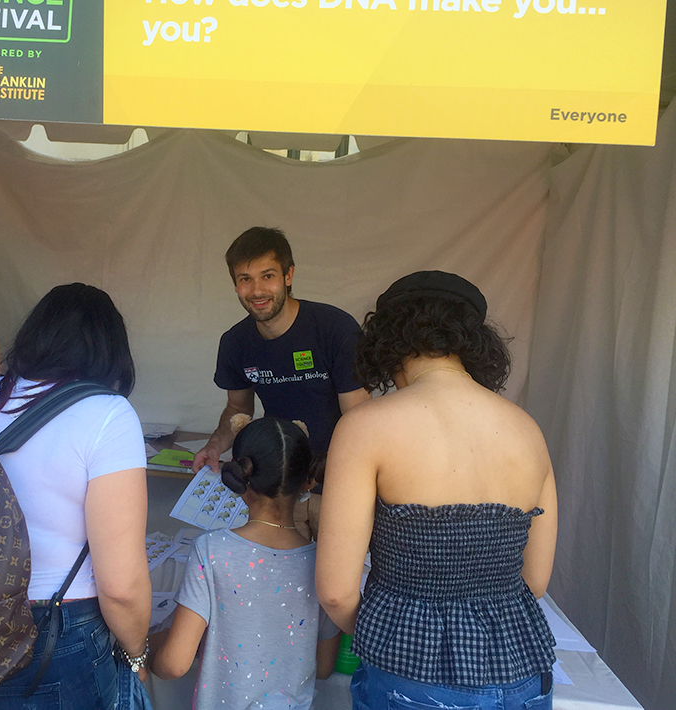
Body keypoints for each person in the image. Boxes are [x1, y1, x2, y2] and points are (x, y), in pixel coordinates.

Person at [315, 271, 557, 710]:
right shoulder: (528, 431)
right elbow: (534, 581)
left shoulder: (365, 428)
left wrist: (388, 632)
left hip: (411, 680)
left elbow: (335, 590)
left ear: (387, 343)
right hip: (522, 676)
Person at [0, 283, 152, 709]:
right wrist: (136, 654)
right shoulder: (108, 414)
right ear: (110, 347)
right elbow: (121, 586)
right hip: (55, 632)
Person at [152, 415, 341, 709]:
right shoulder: (323, 562)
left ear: (240, 478)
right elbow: (325, 666)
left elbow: (174, 664)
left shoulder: (211, 551)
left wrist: (144, 651)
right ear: (307, 480)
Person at [192, 226, 370, 538]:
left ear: (288, 276)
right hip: (278, 492)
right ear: (235, 285)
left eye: (268, 276)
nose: (257, 290)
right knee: (284, 581)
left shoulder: (335, 329)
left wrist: (321, 472)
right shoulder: (235, 342)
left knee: (337, 584)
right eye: (245, 279)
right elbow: (237, 408)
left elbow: (360, 420)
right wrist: (215, 445)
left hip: (341, 487)